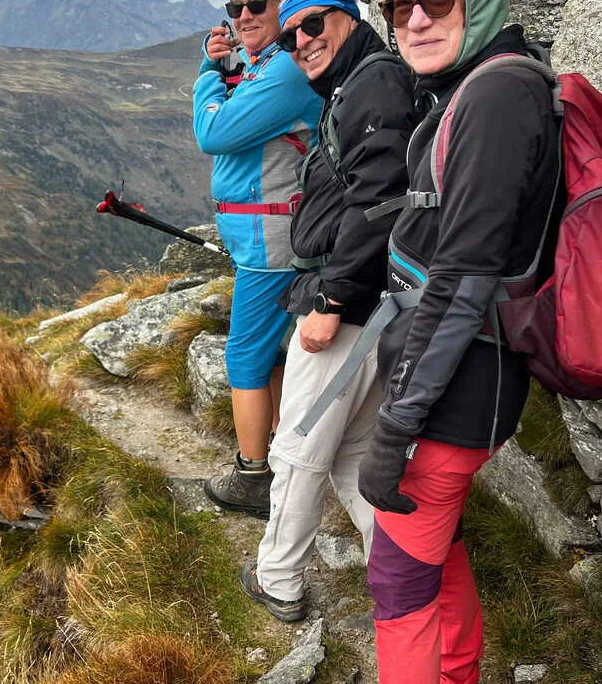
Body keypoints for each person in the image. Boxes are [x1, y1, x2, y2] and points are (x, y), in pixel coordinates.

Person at [359, 0, 561, 681]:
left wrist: (394, 430)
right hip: (464, 376)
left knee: (397, 583)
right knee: (434, 551)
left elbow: (465, 279)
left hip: (458, 389)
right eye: (396, 5)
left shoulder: (498, 94)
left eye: (438, 1)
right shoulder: (486, 82)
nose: (413, 19)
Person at [236, 0, 415, 622]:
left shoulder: (375, 83)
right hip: (369, 306)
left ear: (350, 18)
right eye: (290, 38)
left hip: (349, 309)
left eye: (314, 24)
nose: (302, 42)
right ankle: (404, 573)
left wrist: (332, 302)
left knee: (298, 450)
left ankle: (277, 578)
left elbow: (381, 201)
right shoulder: (360, 83)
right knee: (352, 457)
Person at [194, 0, 323, 519]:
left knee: (244, 356)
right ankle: (278, 448)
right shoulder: (266, 63)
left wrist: (206, 74)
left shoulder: (287, 70)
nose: (244, 13)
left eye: (257, 3)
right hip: (258, 235)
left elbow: (214, 135)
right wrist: (221, 59)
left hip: (272, 243)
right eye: (234, 5)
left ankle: (253, 476)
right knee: (268, 352)